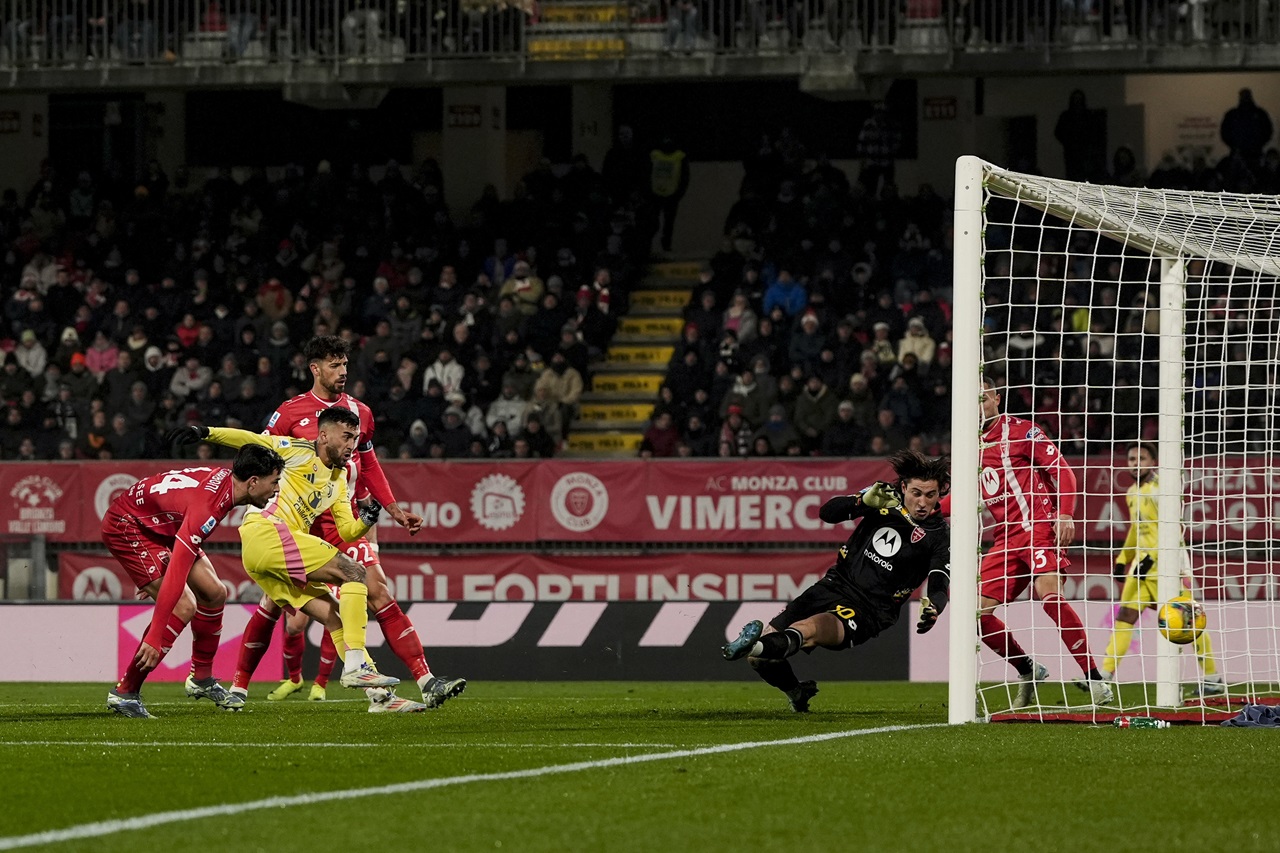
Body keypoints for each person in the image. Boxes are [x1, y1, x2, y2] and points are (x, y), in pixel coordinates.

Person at [237, 336, 464, 713]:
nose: (343, 372)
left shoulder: (361, 411)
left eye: (345, 365)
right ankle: (239, 687)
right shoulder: (289, 414)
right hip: (299, 525)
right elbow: (259, 461)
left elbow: (370, 464)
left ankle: (426, 680)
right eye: (335, 365)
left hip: (347, 520)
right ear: (315, 369)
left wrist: (392, 509)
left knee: (377, 591)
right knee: (280, 607)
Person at [170, 411, 404, 704]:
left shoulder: (340, 478)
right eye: (346, 437)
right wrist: (206, 432)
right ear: (323, 436)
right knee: (355, 572)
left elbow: (346, 530)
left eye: (355, 438)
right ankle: (356, 665)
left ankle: (380, 698)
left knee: (335, 617)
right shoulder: (298, 451)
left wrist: (366, 521)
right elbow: (252, 440)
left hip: (270, 554)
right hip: (267, 533)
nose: (351, 445)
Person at [722, 449, 951, 712]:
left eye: (930, 495)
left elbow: (939, 581)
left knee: (811, 629)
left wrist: (934, 607)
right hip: (834, 584)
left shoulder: (939, 536)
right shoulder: (884, 498)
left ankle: (755, 645)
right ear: (903, 487)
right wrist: (861, 500)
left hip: (871, 609)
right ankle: (796, 692)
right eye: (916, 493)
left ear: (939, 495)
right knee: (759, 661)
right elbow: (827, 513)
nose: (923, 502)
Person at [951, 379, 1113, 708]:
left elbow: (1062, 471)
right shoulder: (970, 447)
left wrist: (1065, 514)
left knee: (1050, 599)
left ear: (996, 398)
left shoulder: (1023, 431)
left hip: (1038, 527)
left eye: (983, 398)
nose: (979, 405)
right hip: (1004, 540)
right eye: (972, 400)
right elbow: (962, 498)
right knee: (973, 613)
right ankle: (1028, 669)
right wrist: (919, 510)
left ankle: (1096, 681)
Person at [104, 444, 286, 718]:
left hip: (160, 525)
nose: (276, 490)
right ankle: (126, 692)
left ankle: (201, 678)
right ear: (253, 482)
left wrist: (154, 571)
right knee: (183, 606)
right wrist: (155, 634)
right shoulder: (209, 506)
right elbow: (176, 571)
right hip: (129, 524)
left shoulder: (225, 486)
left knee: (214, 593)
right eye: (274, 482)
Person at [1084, 442, 1223, 697]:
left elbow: (1172, 529)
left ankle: (1213, 677)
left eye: (1142, 458)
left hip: (1165, 568)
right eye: (1132, 459)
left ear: (1153, 462)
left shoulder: (1161, 490)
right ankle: (1105, 674)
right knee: (1124, 617)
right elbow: (1137, 530)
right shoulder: (1132, 492)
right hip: (1141, 568)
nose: (1136, 463)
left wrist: (1153, 558)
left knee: (1188, 622)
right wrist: (1123, 558)